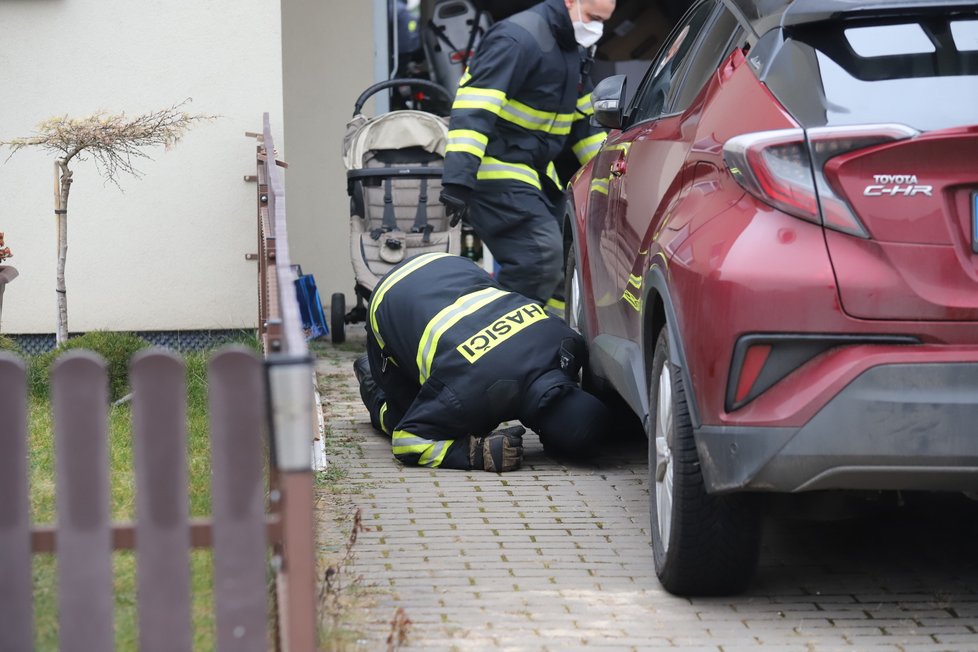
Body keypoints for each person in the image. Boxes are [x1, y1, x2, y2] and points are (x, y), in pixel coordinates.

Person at [354, 252, 611, 472]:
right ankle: (371, 377)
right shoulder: (469, 399)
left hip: (449, 265)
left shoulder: (568, 343)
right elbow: (408, 441)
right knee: (403, 417)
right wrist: (475, 454)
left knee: (437, 395)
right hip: (388, 298)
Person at [438, 0, 616, 313]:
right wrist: (458, 180)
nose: (596, 28)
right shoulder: (516, 38)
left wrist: (609, 179)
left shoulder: (572, 48)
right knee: (539, 258)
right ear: (570, 2)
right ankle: (501, 342)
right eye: (591, 17)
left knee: (564, 262)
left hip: (532, 173)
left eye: (602, 20)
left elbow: (583, 125)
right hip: (494, 169)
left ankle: (552, 346)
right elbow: (474, 108)